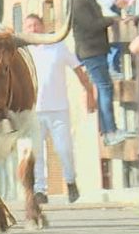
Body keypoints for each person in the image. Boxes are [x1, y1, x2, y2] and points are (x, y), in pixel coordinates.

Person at [24, 14, 97, 204]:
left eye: (36, 25)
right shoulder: (24, 51)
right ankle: (40, 190)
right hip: (34, 110)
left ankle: (71, 182)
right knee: (36, 153)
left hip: (58, 108)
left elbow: (78, 69)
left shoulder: (57, 46)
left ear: (42, 26)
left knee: (64, 149)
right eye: (29, 26)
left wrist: (89, 91)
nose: (33, 29)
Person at [68, 0, 126, 146]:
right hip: (90, 51)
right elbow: (92, 25)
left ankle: (107, 131)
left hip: (96, 50)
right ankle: (110, 131)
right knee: (105, 88)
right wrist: (112, 20)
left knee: (103, 88)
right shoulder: (77, 2)